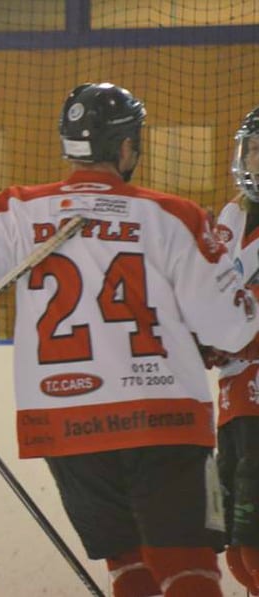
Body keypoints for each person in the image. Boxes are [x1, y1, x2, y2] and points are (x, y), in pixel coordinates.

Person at [0, 82, 259, 597]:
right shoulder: (174, 216)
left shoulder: (20, 209)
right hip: (163, 419)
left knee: (127, 564)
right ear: (127, 146)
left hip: (65, 421)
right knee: (187, 565)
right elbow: (230, 328)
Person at [214, 104, 259, 594]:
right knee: (237, 555)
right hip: (234, 397)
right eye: (252, 150)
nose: (255, 160)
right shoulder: (232, 216)